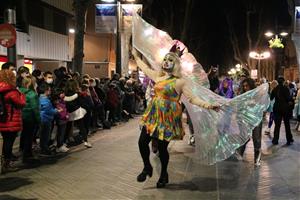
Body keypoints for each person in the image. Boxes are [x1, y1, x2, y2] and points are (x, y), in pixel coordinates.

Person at [132, 46, 219, 188]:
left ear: (176, 64)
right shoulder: (158, 77)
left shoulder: (181, 81)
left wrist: (209, 106)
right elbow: (144, 67)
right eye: (165, 59)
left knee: (162, 148)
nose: (166, 62)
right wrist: (136, 56)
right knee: (142, 142)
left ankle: (163, 174)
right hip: (153, 115)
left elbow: (193, 99)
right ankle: (147, 167)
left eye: (170, 60)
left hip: (167, 118)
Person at [0, 69, 26, 173]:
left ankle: (4, 163)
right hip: (10, 121)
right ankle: (6, 164)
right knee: (9, 143)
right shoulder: (12, 91)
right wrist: (22, 94)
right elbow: (21, 104)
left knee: (6, 142)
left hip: (2, 119)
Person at [236, 78, 263, 166]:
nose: (245, 87)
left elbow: (261, 105)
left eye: (247, 85)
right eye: (244, 86)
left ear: (251, 85)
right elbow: (239, 106)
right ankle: (240, 153)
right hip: (245, 118)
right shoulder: (242, 95)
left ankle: (257, 159)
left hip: (256, 118)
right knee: (244, 136)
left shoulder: (257, 93)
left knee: (256, 138)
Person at [19, 76, 40, 163]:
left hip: (22, 116)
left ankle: (22, 150)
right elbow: (35, 108)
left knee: (23, 135)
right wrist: (38, 120)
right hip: (30, 117)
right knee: (29, 136)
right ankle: (27, 154)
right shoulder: (32, 94)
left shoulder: (20, 91)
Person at [271, 76, 294, 145]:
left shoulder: (275, 89)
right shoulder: (286, 88)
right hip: (285, 108)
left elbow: (271, 98)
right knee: (287, 124)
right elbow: (288, 98)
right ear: (283, 81)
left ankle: (275, 140)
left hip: (277, 108)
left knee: (277, 125)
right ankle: (289, 139)